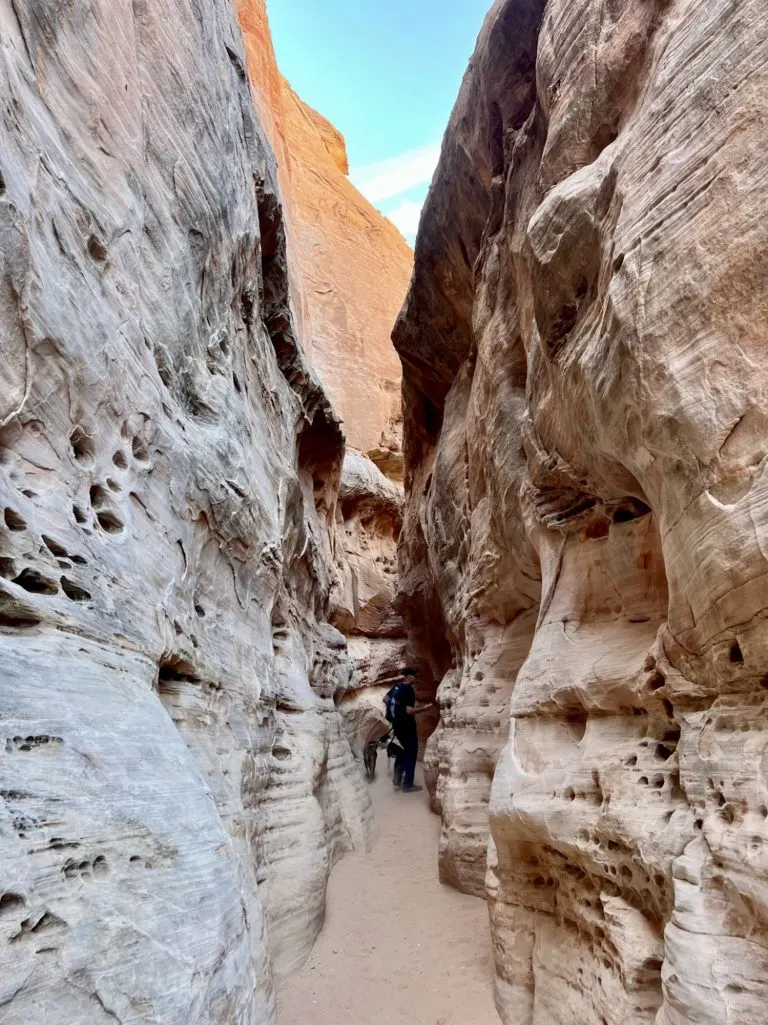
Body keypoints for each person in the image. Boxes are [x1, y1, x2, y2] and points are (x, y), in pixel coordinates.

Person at [387, 667, 432, 793]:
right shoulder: (408, 690)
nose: (415, 678)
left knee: (403, 751)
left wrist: (397, 711)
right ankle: (408, 784)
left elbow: (385, 699)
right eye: (414, 676)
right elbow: (409, 710)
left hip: (397, 725)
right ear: (408, 677)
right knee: (411, 752)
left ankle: (397, 779)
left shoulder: (397, 687)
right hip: (407, 726)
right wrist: (425, 708)